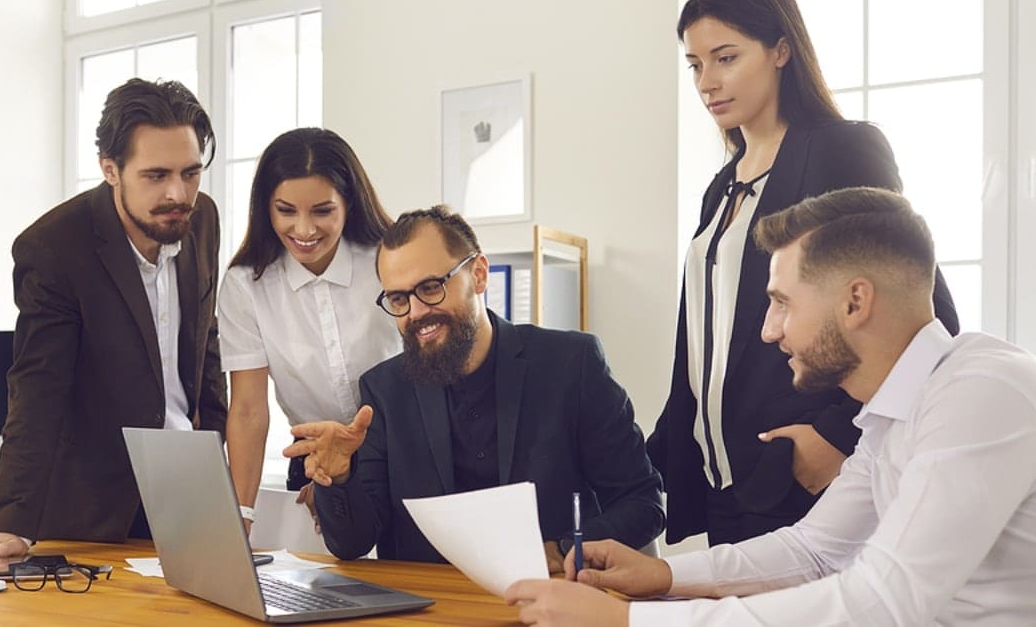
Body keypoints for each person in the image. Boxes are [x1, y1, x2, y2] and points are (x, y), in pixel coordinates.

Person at [504, 187, 1036, 625]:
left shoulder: (982, 390)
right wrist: (665, 578)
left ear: (855, 302)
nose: (768, 330)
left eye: (782, 302)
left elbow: (883, 600)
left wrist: (624, 622)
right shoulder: (891, 411)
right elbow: (815, 551)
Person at [648, 0, 959, 547]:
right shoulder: (720, 188)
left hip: (804, 473)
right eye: (695, 65)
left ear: (781, 51)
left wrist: (837, 435)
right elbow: (707, 344)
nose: (707, 83)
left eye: (726, 58)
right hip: (726, 481)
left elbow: (924, 311)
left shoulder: (840, 150)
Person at [0, 78, 227, 564]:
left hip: (187, 494)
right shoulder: (55, 247)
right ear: (111, 169)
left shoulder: (201, 219)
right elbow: (37, 386)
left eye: (190, 173)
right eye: (155, 176)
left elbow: (205, 344)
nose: (178, 193)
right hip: (93, 505)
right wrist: (10, 520)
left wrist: (219, 464)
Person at [283, 206, 665, 571]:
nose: (415, 313)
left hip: (552, 597)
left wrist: (563, 549)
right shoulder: (384, 391)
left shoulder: (570, 364)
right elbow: (352, 544)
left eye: (431, 288)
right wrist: (340, 477)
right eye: (398, 299)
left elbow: (643, 504)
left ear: (478, 274)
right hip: (433, 612)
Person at [218, 127, 399, 534]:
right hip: (314, 465)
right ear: (265, 207)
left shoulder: (386, 261)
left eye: (322, 211)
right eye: (286, 210)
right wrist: (240, 519)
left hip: (401, 452)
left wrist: (349, 469)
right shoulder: (246, 284)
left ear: (348, 204)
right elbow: (248, 410)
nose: (303, 230)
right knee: (321, 587)